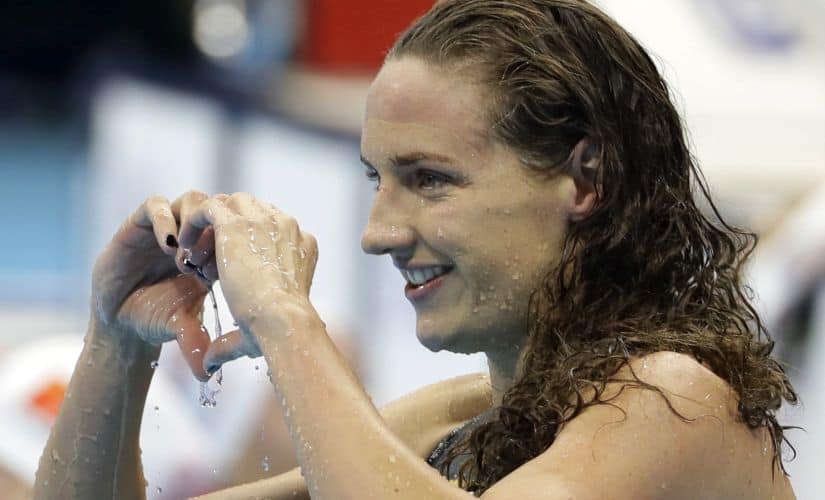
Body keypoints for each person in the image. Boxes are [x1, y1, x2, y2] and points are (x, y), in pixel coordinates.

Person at [34, 0, 798, 498]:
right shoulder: (458, 423)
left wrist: (289, 322)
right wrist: (117, 340)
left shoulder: (674, 401)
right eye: (377, 180)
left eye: (429, 180)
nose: (378, 232)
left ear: (584, 177)